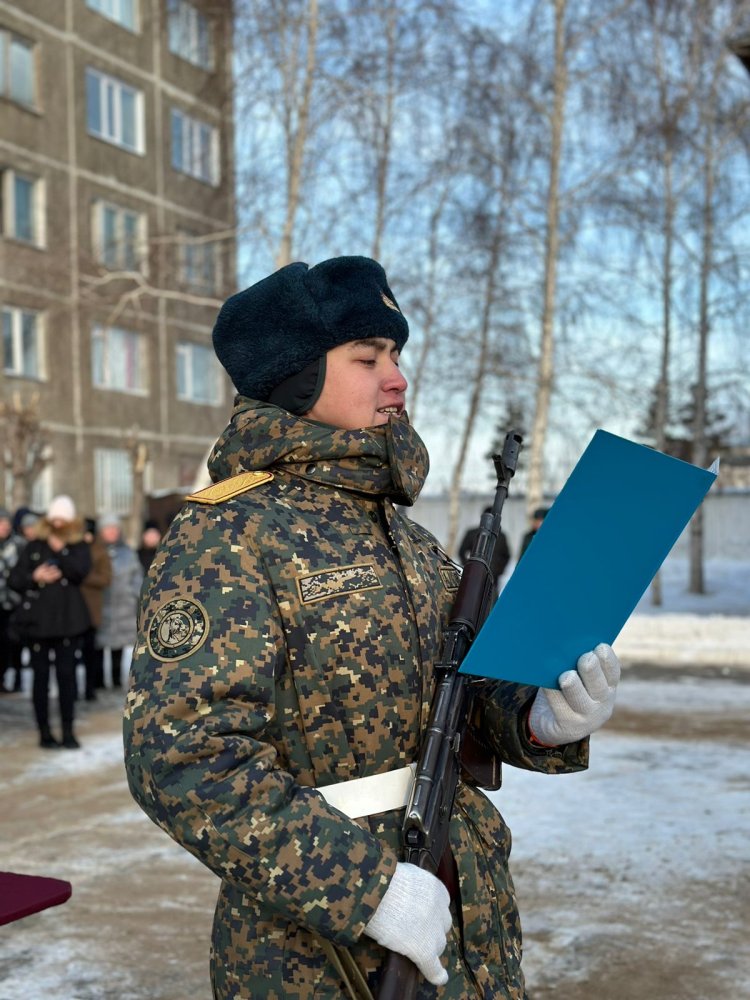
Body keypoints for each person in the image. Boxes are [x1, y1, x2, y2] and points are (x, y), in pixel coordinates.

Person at [124, 256, 621, 999]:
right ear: (296, 376)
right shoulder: (229, 532)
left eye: (395, 355)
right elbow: (184, 759)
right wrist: (365, 889)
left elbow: (462, 693)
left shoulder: (404, 535)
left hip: (462, 911)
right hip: (314, 953)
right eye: (368, 357)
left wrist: (539, 718)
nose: (397, 377)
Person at [9, 495, 91, 749]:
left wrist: (61, 552)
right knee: (40, 680)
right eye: (53, 518)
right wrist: (35, 576)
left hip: (68, 622)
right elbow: (15, 579)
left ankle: (68, 730)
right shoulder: (34, 546)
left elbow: (80, 572)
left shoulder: (78, 545)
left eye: (62, 519)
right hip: (39, 625)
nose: (57, 524)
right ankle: (44, 731)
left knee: (67, 678)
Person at [96, 513, 142, 688]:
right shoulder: (96, 552)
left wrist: (133, 593)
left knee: (119, 646)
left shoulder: (128, 552)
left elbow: (137, 575)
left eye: (115, 528)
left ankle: (116, 679)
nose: (112, 532)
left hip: (124, 605)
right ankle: (97, 681)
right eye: (108, 529)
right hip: (102, 605)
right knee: (98, 645)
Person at [80, 517, 113, 700]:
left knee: (91, 652)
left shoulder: (100, 552)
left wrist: (84, 576)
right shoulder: (74, 549)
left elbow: (106, 578)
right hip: (72, 608)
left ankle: (90, 688)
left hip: (91, 609)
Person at [458, 505, 511, 597]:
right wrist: (469, 567)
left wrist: (499, 570)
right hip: (474, 576)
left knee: (491, 601)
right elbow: (461, 552)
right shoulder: (472, 533)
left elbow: (506, 556)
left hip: (493, 577)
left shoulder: (501, 536)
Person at [0, 507, 23, 693]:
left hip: (13, 603)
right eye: (1, 524)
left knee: (11, 643)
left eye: (7, 524)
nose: (4, 527)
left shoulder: (17, 545)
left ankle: (12, 678)